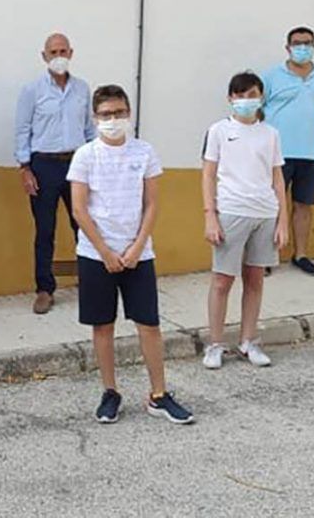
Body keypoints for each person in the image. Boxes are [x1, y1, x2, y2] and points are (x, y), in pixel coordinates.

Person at [67, 86, 193, 425]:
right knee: (102, 325)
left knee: (148, 324)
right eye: (106, 114)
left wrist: (137, 247)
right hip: (96, 254)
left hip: (139, 253)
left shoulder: (144, 152)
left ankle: (159, 394)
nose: (113, 120)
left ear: (129, 114)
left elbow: (151, 203)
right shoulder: (85, 156)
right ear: (95, 118)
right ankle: (110, 391)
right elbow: (79, 209)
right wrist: (105, 251)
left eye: (119, 113)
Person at [201, 72, 289, 370]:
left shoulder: (271, 134)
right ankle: (215, 343)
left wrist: (282, 221)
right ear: (230, 99)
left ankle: (248, 340)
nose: (245, 100)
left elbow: (277, 178)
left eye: (251, 94)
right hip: (231, 211)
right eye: (239, 95)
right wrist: (210, 216)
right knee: (222, 280)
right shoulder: (218, 131)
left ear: (261, 97)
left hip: (264, 213)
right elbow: (208, 174)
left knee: (255, 280)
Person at [14, 33, 95, 314]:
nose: (58, 55)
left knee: (84, 225)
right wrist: (25, 168)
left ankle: (92, 282)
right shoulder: (32, 91)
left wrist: (95, 164)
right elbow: (22, 130)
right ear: (44, 56)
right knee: (45, 230)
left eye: (63, 50)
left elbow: (89, 129)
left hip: (77, 164)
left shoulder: (83, 89)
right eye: (53, 51)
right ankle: (44, 289)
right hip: (43, 165)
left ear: (71, 52)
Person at [261, 27, 314, 277]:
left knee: (304, 205)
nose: (302, 47)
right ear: (287, 47)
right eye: (297, 43)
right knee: (272, 205)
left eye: (307, 43)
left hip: (311, 152)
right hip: (277, 153)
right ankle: (266, 257)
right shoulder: (272, 76)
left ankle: (300, 254)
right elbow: (258, 109)